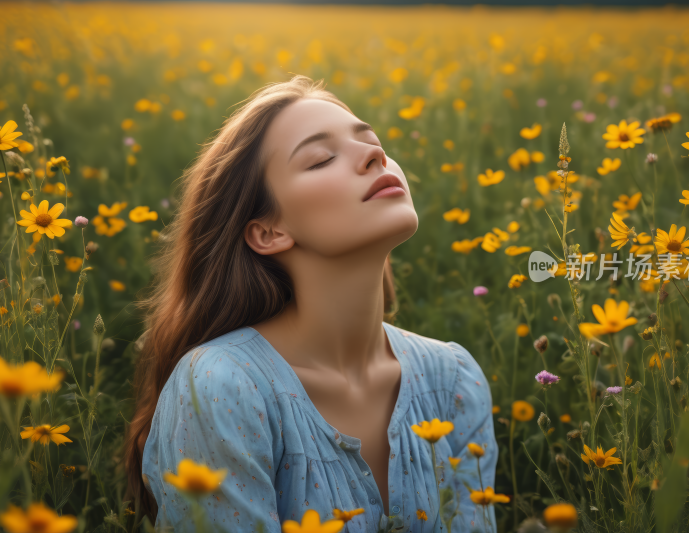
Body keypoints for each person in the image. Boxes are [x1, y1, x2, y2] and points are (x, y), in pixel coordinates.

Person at [124, 74, 497, 532]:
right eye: (321, 159)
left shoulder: (454, 382)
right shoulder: (222, 387)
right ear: (268, 231)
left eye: (372, 142)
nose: (375, 155)